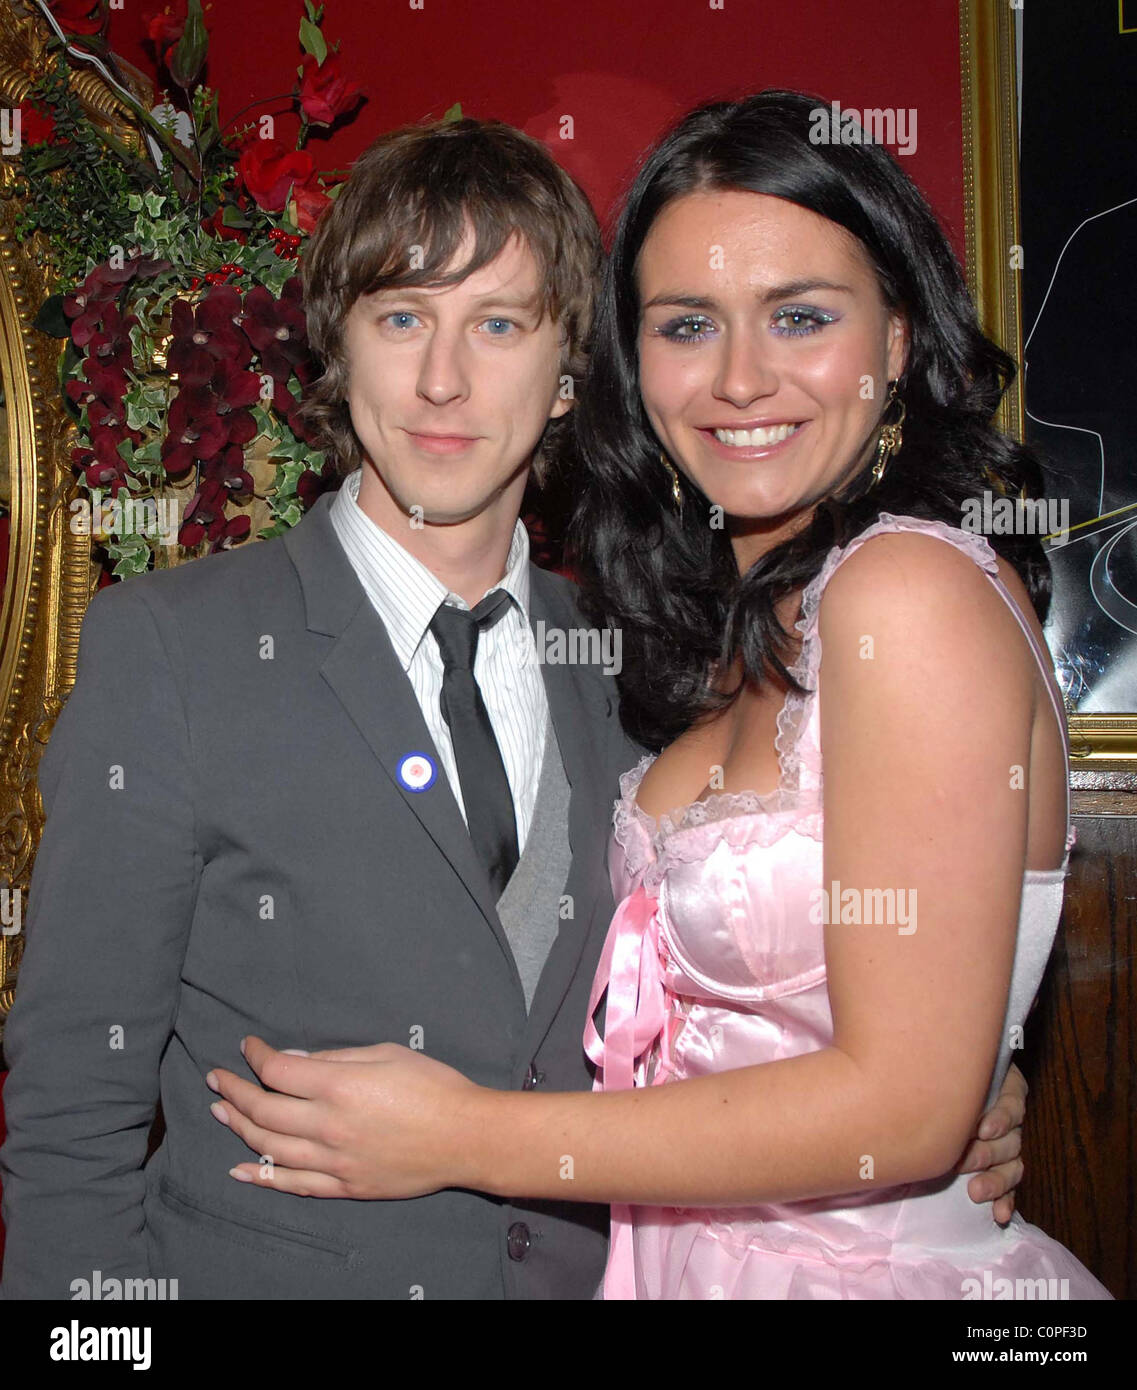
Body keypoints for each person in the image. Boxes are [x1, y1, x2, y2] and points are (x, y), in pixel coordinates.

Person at [0, 113, 1028, 1302]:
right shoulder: (172, 649)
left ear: (571, 378)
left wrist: (961, 1082)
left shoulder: (645, 661)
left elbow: (753, 986)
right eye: (401, 319)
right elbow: (74, 1102)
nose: (444, 379)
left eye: (498, 325)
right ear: (339, 349)